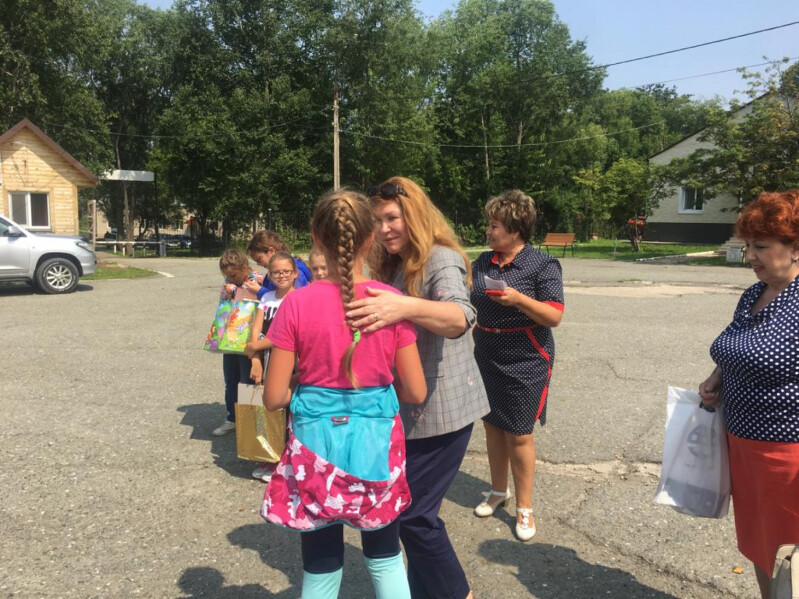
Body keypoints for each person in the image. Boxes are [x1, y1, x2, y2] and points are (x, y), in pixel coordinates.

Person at [260, 189, 427, 599]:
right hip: (376, 441)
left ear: (317, 240)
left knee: (320, 563)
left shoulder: (296, 304)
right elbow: (416, 390)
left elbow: (274, 397)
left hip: (315, 444)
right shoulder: (390, 302)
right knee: (386, 557)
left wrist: (305, 383)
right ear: (371, 239)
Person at [346, 176, 490, 599]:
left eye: (393, 218)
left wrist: (402, 305)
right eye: (378, 221)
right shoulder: (395, 261)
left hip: (444, 413)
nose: (384, 228)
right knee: (409, 513)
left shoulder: (439, 258)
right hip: (408, 409)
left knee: (415, 518)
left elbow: (460, 317)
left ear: (415, 215)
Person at [698, 190, 799, 599]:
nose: (750, 257)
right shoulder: (752, 295)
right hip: (741, 446)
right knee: (761, 545)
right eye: (747, 247)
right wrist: (717, 376)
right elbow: (739, 347)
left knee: (790, 554)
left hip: (787, 455)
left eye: (761, 246)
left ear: (795, 247)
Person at [469, 190, 564, 542]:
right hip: (486, 351)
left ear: (515, 228)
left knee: (519, 433)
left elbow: (554, 316)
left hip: (527, 357)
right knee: (492, 424)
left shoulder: (542, 264)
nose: (488, 231)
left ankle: (525, 507)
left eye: (494, 225)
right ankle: (498, 491)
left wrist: (518, 299)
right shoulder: (482, 262)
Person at [244, 251, 298, 482]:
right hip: (266, 359)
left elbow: (289, 336)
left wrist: (253, 346)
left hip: (291, 360)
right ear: (270, 275)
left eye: (286, 271)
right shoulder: (266, 298)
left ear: (295, 274)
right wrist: (255, 358)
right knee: (267, 407)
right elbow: (256, 329)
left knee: (289, 409)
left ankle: (289, 460)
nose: (281, 275)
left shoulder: (299, 298)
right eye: (276, 272)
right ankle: (269, 456)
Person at [212, 249, 262, 436]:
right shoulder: (229, 282)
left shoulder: (257, 280)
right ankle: (232, 418)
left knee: (248, 380)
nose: (230, 278)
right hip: (230, 339)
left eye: (234, 275)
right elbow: (224, 305)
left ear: (245, 267)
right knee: (231, 379)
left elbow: (262, 304)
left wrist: (239, 291)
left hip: (249, 340)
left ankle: (251, 422)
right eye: (227, 275)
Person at [245, 230, 312, 296]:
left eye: (259, 259)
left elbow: (290, 298)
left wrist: (260, 291)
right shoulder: (273, 272)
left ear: (271, 251)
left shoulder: (293, 272)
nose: (258, 264)